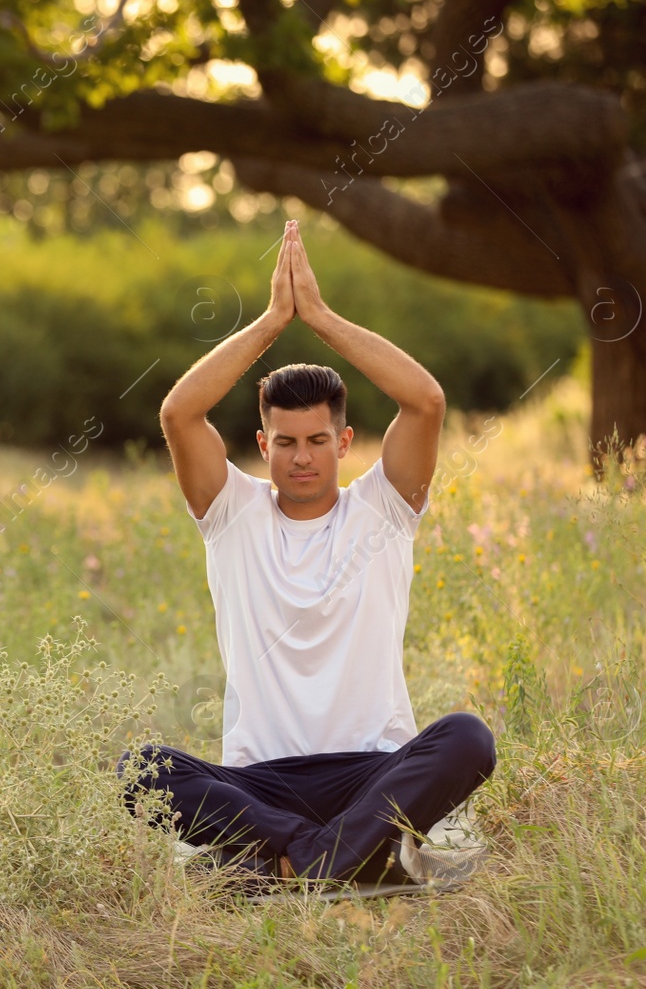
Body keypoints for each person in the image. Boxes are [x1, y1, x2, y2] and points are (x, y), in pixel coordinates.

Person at [116, 219, 496, 887]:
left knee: (468, 738)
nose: (301, 457)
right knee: (137, 770)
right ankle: (347, 857)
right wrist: (270, 321)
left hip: (372, 770)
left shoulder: (383, 507)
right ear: (262, 446)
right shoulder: (230, 513)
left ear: (344, 440)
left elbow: (426, 400)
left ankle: (288, 866)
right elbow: (179, 412)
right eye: (285, 442)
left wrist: (317, 317)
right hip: (262, 783)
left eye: (317, 440)